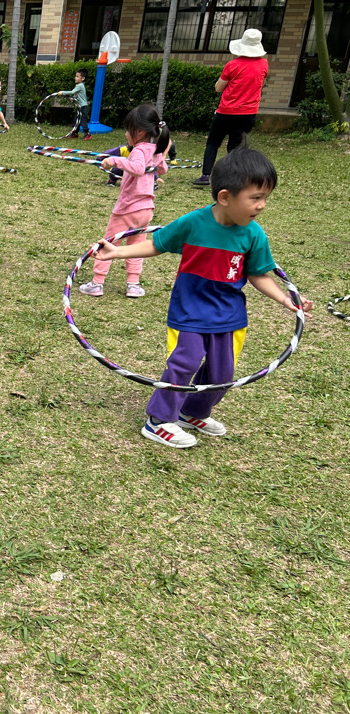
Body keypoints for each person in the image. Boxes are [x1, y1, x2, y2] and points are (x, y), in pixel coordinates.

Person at [94, 149, 313, 449]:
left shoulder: (253, 235)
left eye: (266, 198)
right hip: (190, 309)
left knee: (223, 373)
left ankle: (192, 411)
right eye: (256, 197)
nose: (262, 205)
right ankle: (158, 421)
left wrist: (286, 300)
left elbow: (258, 274)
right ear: (225, 197)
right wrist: (118, 252)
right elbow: (157, 244)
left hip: (229, 314)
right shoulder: (194, 223)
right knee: (184, 362)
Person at [79, 105, 171, 299]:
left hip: (127, 208)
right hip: (146, 209)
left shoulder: (138, 150)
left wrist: (114, 161)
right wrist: (157, 159)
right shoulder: (155, 150)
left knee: (108, 243)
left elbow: (137, 169)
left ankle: (97, 283)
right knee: (136, 245)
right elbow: (163, 169)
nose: (126, 134)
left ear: (139, 132)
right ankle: (133, 285)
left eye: (128, 130)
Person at [192, 29, 268, 187]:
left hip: (227, 111)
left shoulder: (232, 65)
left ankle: (205, 176)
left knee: (213, 142)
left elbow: (218, 88)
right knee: (235, 146)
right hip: (249, 113)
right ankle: (233, 178)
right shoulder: (263, 64)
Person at [57, 69, 91, 140]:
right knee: (76, 120)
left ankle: (87, 134)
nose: (75, 78)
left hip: (82, 107)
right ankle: (75, 133)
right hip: (79, 106)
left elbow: (72, 92)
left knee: (82, 120)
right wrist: (73, 99)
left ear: (83, 78)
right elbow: (76, 95)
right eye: (75, 76)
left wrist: (62, 92)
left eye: (78, 76)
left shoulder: (80, 86)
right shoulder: (78, 85)